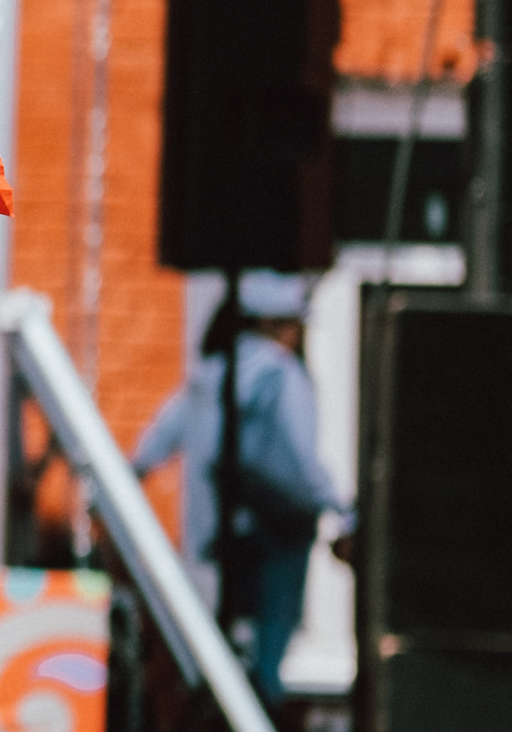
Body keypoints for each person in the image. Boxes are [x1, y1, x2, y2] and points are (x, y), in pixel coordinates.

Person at [132, 275, 352, 698]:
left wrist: (128, 476)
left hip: (222, 534)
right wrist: (340, 508)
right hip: (279, 536)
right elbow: (299, 462)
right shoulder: (281, 375)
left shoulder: (210, 375)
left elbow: (157, 439)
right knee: (269, 652)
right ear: (275, 323)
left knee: (226, 647)